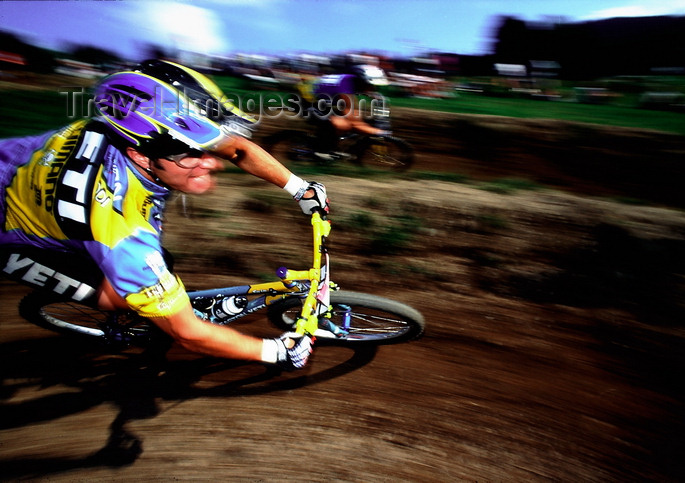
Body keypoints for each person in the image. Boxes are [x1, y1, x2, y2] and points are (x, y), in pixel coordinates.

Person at [0, 59, 329, 370]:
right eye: (192, 155)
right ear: (140, 156)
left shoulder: (137, 129)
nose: (214, 163)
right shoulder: (126, 237)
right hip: (17, 239)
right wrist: (277, 352)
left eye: (207, 148)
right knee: (124, 295)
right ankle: (144, 316)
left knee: (159, 268)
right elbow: (189, 335)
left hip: (25, 182)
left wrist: (300, 188)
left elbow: (236, 148)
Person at [307, 64, 392, 160]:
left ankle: (331, 145)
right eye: (370, 86)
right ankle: (321, 151)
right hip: (307, 102)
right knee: (341, 123)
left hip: (323, 101)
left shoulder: (352, 82)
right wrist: (376, 131)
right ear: (361, 82)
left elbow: (376, 99)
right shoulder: (345, 86)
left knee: (348, 118)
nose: (373, 89)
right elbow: (354, 121)